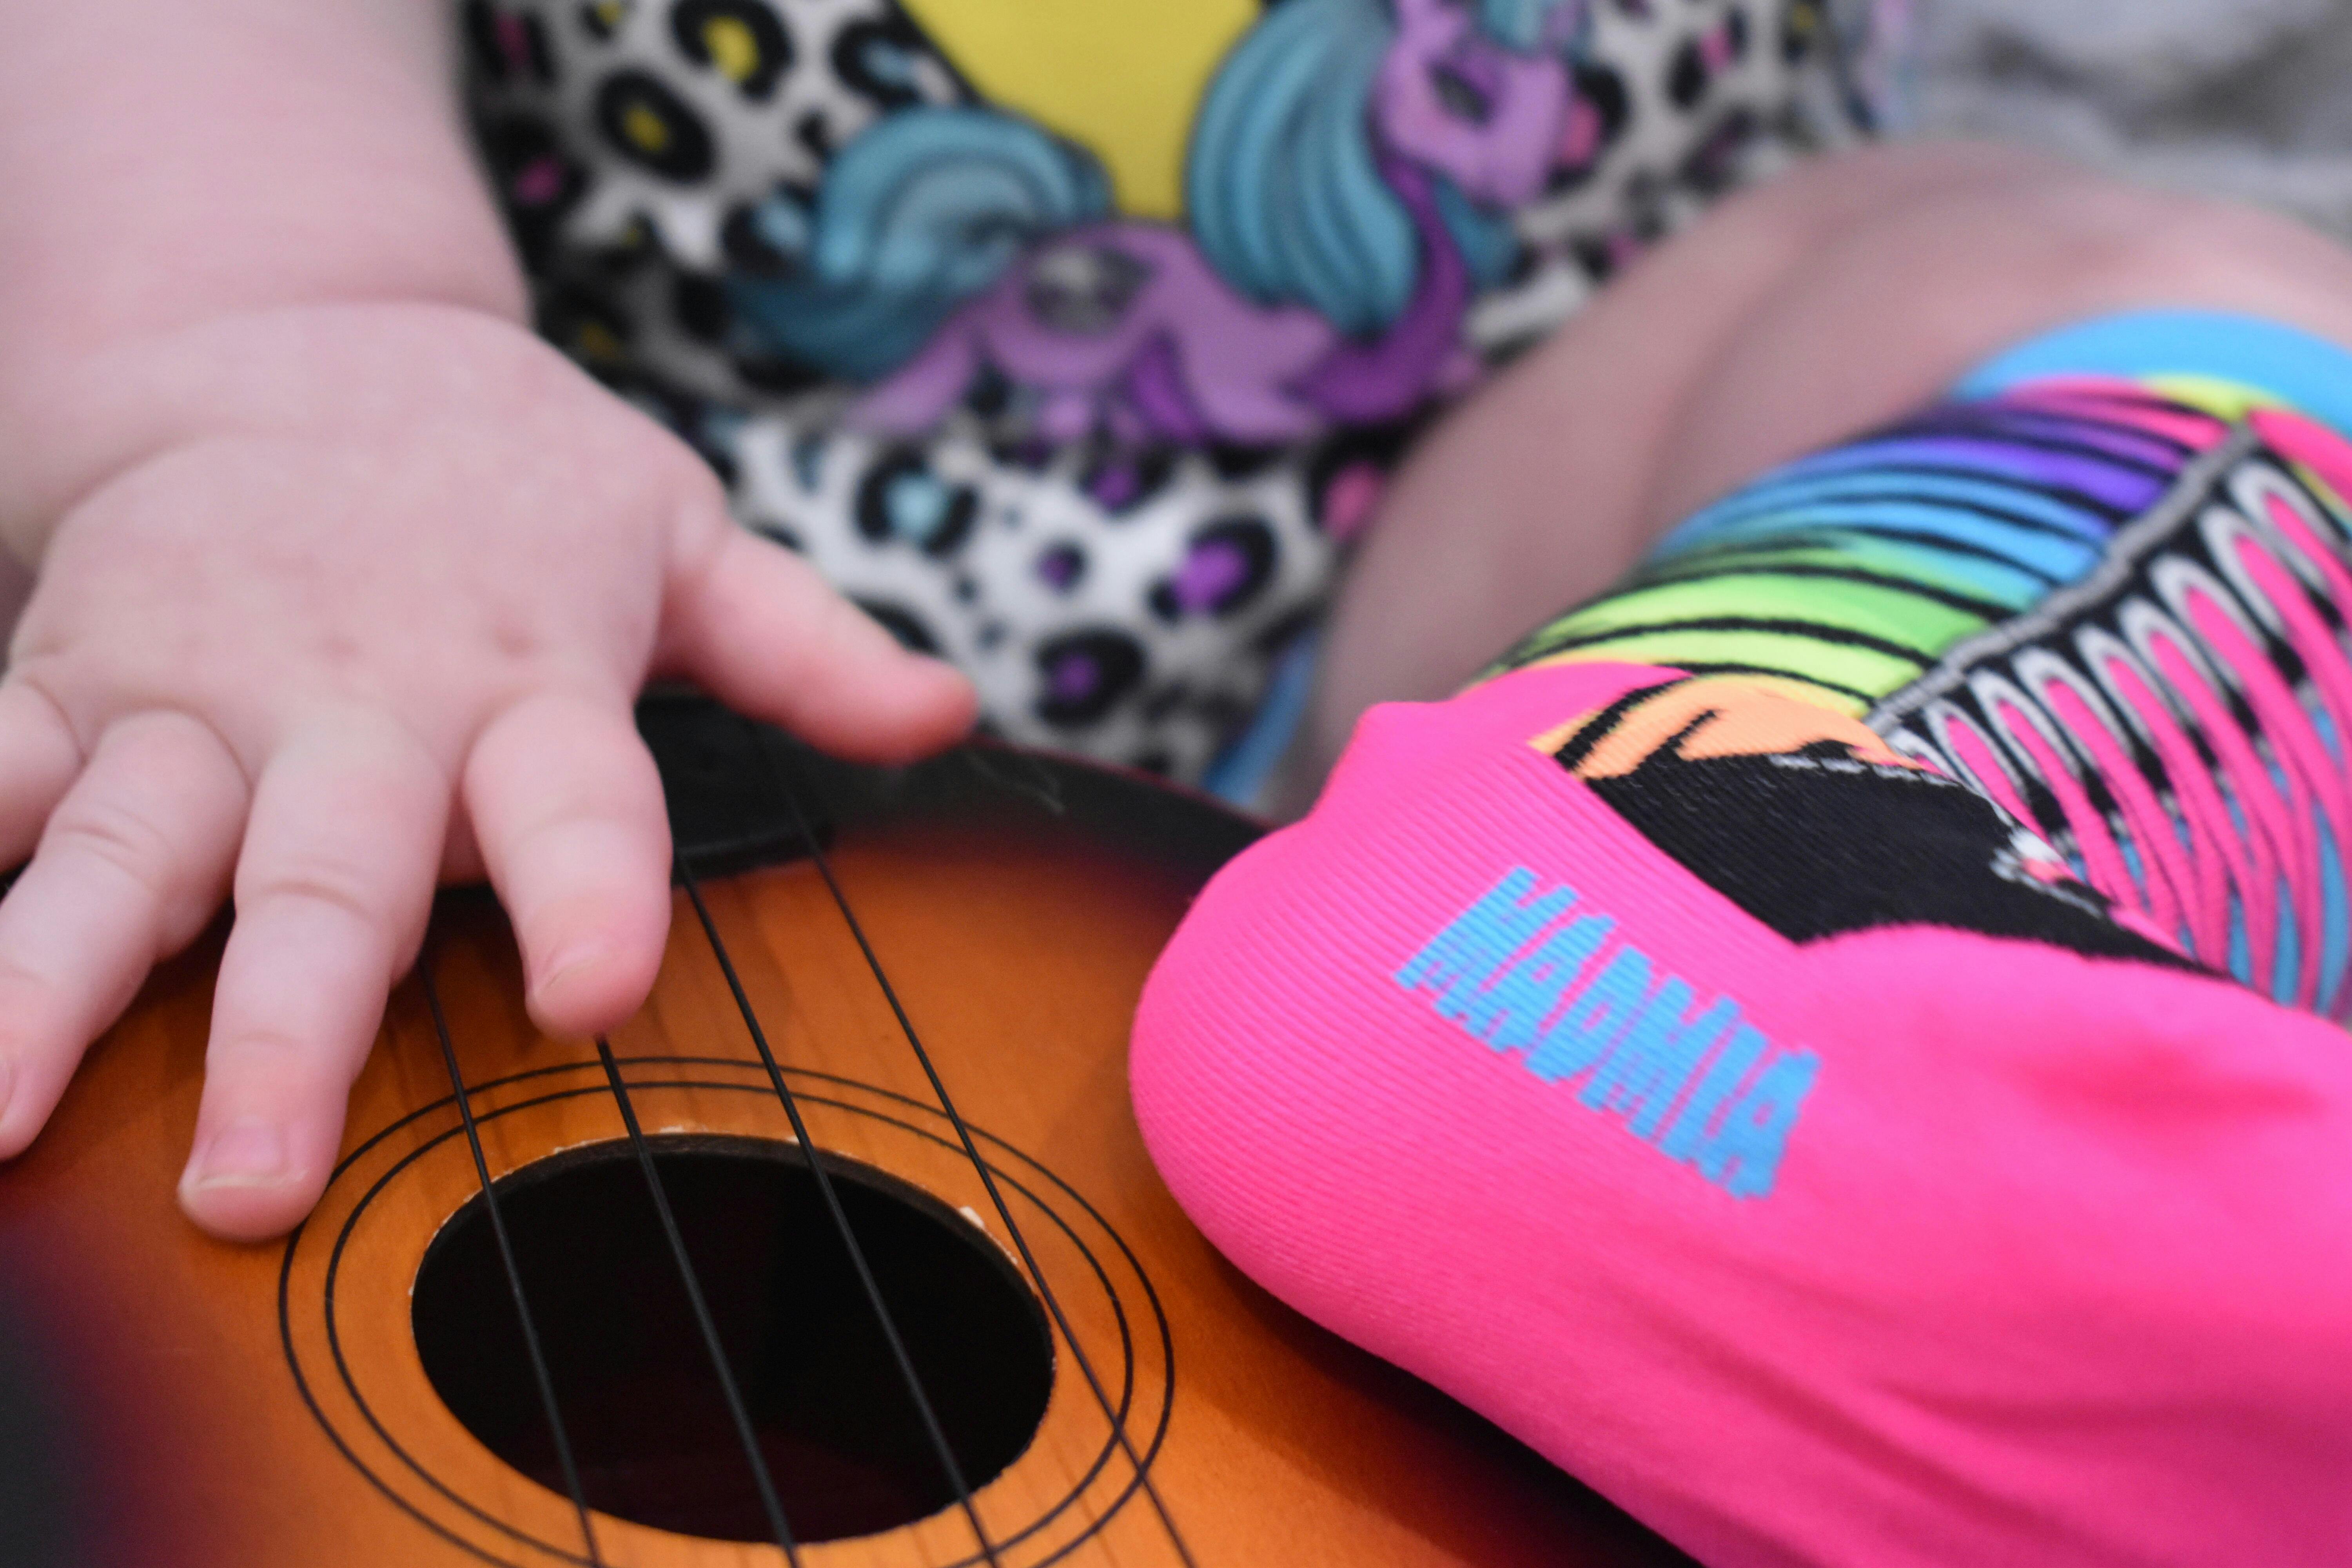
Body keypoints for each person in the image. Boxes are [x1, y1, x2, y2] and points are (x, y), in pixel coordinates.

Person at [0, 0, 1871, 1240]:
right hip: (583, 584)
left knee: (1979, 292)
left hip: (1536, 564)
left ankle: (1866, 1025)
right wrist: (301, 341)